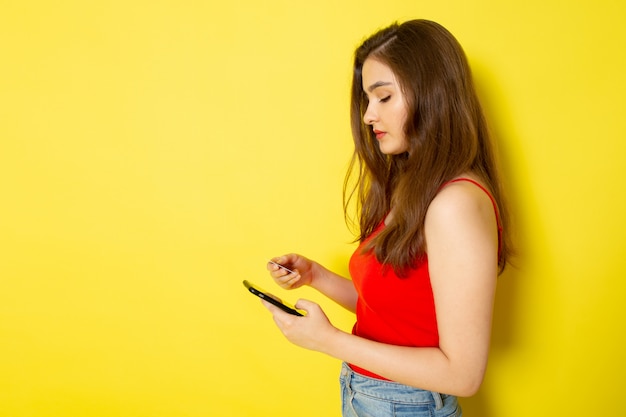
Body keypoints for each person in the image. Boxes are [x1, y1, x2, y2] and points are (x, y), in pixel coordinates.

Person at [262, 19, 511, 417]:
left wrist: (328, 341)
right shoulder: (413, 187)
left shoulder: (455, 204)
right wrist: (315, 276)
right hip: (372, 397)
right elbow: (395, 314)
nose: (367, 116)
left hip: (406, 406)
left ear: (433, 95)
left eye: (383, 97)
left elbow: (463, 374)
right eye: (367, 100)